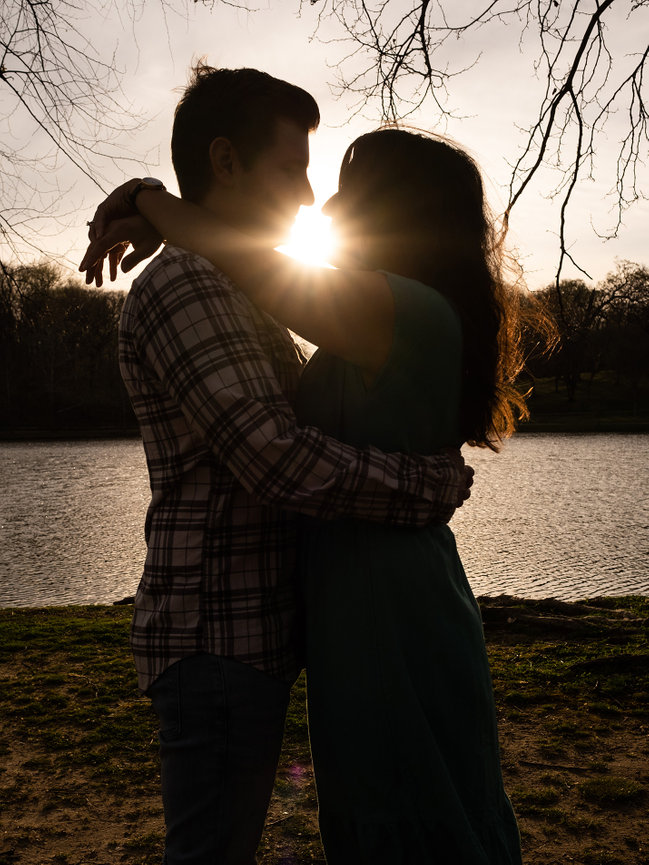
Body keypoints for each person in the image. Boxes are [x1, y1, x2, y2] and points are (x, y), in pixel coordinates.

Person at [80, 67, 473, 865]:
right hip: (218, 636)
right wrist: (424, 487)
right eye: (294, 168)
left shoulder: (258, 286)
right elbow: (274, 457)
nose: (309, 197)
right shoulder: (190, 281)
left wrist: (152, 200)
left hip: (267, 633)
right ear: (226, 161)